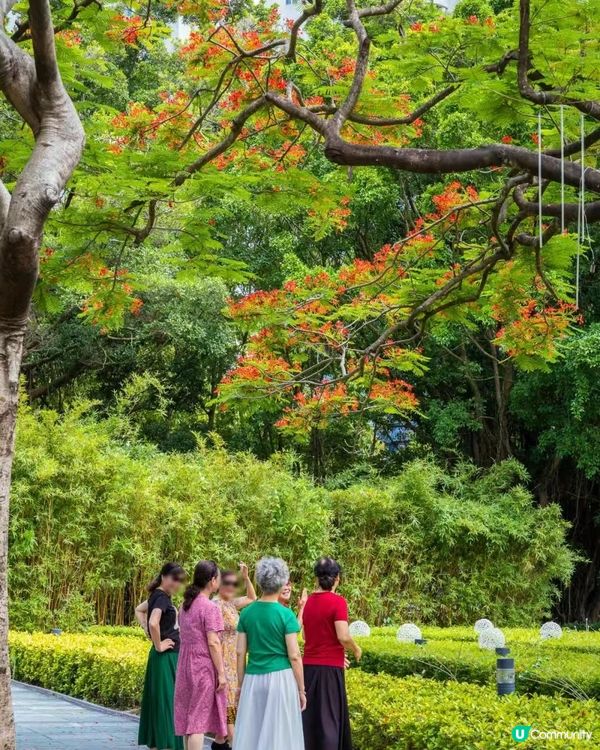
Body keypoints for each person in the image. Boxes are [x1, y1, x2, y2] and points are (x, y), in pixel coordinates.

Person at [233, 557, 305, 750]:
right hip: (281, 679)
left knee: (252, 733)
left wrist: (240, 686)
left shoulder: (247, 613)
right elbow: (295, 656)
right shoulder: (286, 615)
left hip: (253, 679)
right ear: (282, 581)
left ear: (259, 580)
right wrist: (301, 689)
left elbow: (240, 652)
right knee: (279, 735)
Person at [301, 557, 362, 750]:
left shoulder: (308, 602)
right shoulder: (338, 602)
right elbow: (343, 636)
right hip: (330, 670)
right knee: (330, 721)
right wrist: (356, 648)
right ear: (337, 579)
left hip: (308, 668)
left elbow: (304, 634)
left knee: (310, 720)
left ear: (316, 579)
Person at [174, 560, 228, 750]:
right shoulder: (209, 607)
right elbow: (213, 642)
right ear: (212, 581)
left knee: (189, 721)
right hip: (202, 666)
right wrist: (221, 673)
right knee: (197, 723)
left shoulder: (185, 605)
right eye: (219, 578)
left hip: (184, 664)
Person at [138, 562, 186, 750]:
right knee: (169, 700)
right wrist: (158, 644)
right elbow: (153, 621)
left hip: (162, 658)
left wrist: (148, 633)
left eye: (179, 580)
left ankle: (159, 743)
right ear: (164, 576)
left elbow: (139, 610)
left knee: (161, 700)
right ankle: (167, 744)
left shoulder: (157, 596)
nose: (176, 584)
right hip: (165, 656)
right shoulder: (162, 598)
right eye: (174, 579)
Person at [212, 563, 257, 750]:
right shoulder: (215, 604)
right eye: (227, 583)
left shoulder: (230, 603)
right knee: (229, 705)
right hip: (223, 660)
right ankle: (233, 741)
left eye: (233, 583)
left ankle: (220, 743)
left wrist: (246, 577)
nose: (231, 587)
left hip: (234, 659)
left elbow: (252, 598)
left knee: (231, 705)